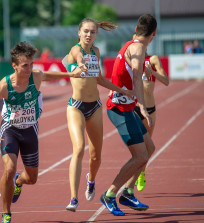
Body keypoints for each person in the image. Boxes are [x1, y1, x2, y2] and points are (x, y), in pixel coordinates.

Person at [0, 41, 82, 223]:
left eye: (31, 64)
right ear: (14, 66)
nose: (29, 68)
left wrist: (71, 74)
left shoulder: (36, 77)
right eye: (25, 65)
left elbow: (49, 75)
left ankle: (19, 182)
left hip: (30, 130)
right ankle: (6, 213)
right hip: (10, 129)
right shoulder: (5, 85)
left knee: (32, 178)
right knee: (9, 169)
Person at [64, 18, 134, 212]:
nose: (89, 35)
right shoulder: (75, 50)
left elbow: (100, 79)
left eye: (92, 32)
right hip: (76, 106)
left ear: (96, 34)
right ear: (79, 32)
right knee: (79, 149)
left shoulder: (96, 52)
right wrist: (81, 65)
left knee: (96, 157)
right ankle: (73, 198)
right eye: (85, 31)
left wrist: (123, 90)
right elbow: (78, 57)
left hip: (94, 107)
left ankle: (91, 180)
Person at [99, 14, 157, 216]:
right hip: (119, 109)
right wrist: (142, 107)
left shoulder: (130, 45)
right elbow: (136, 76)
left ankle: (128, 192)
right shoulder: (139, 49)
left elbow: (129, 73)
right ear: (153, 34)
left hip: (125, 107)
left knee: (149, 148)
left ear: (136, 29)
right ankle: (109, 195)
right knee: (140, 155)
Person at [134, 50, 169, 191]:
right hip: (135, 109)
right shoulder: (132, 61)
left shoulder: (153, 59)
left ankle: (141, 173)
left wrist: (152, 72)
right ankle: (135, 173)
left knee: (147, 146)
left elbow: (166, 81)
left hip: (150, 110)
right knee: (137, 146)